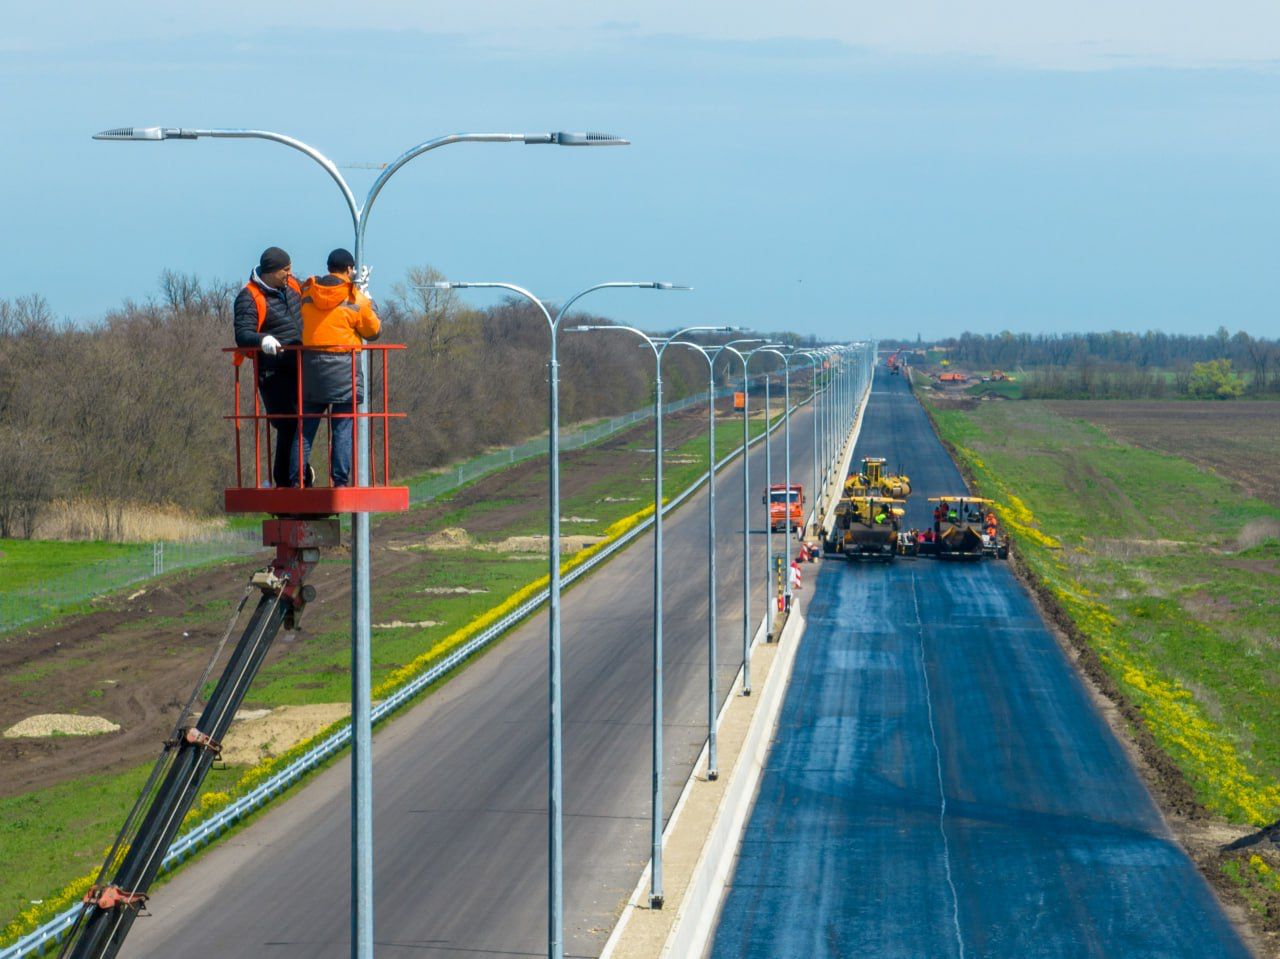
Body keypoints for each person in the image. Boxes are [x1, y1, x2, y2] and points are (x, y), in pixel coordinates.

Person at [297, 248, 381, 487]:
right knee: (343, 426)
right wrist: (368, 296)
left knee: (305, 427)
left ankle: (295, 478)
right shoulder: (355, 298)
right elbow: (373, 331)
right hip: (345, 372)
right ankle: (340, 481)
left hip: (312, 371)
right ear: (349, 270)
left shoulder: (309, 293)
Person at [233, 247, 303, 488]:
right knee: (287, 423)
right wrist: (262, 340)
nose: (290, 274)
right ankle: (286, 481)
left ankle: (299, 475)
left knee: (304, 422)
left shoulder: (292, 286)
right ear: (272, 272)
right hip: (273, 372)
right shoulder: (249, 296)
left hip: (300, 369)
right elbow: (242, 335)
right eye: (285, 270)